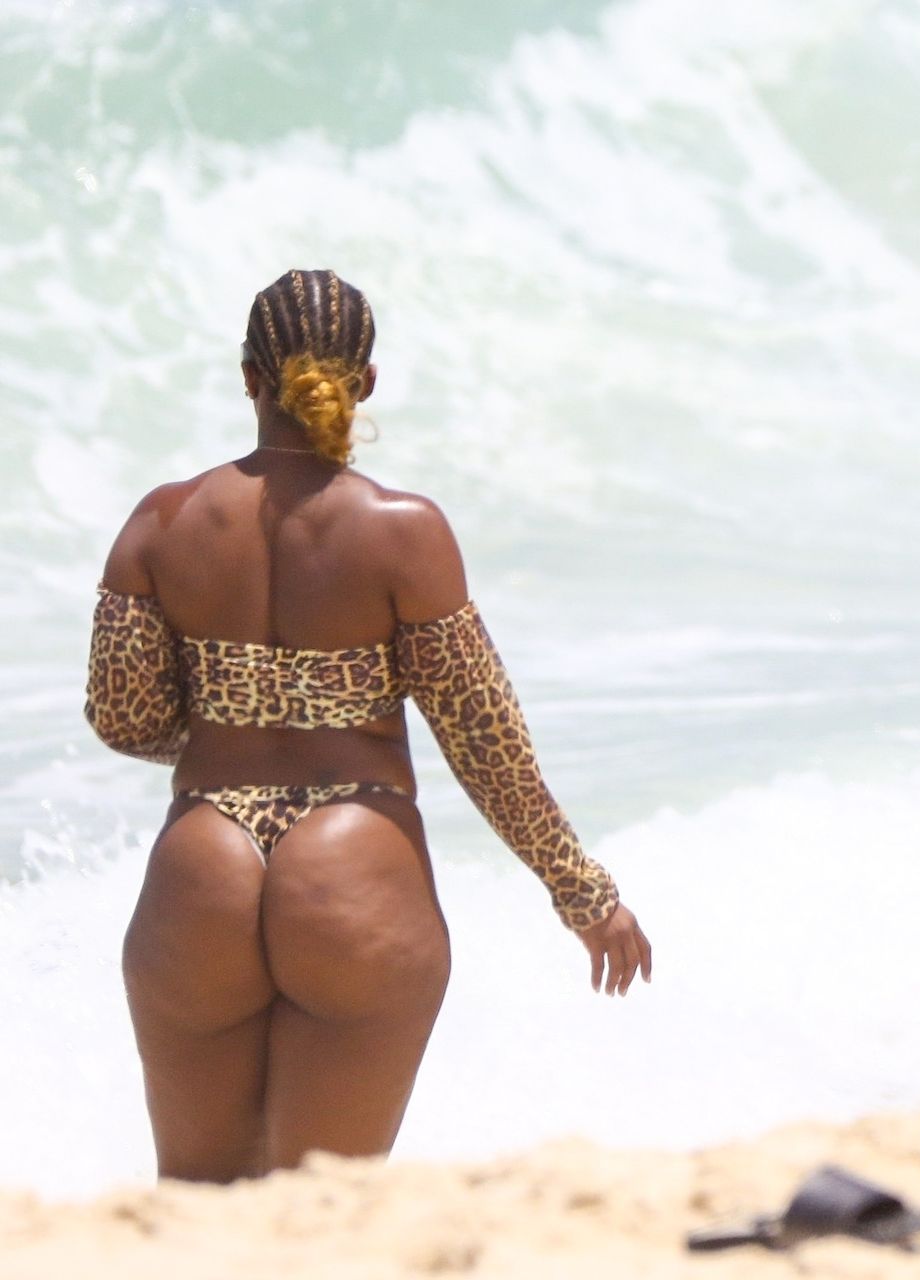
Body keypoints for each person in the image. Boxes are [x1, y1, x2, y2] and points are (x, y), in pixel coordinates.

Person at [84, 269, 651, 1182]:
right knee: (323, 1208)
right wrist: (583, 893)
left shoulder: (161, 522)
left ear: (247, 377)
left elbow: (123, 718)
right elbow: (485, 742)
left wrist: (231, 715)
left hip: (202, 865)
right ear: (367, 381)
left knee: (195, 1211)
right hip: (353, 864)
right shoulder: (403, 531)